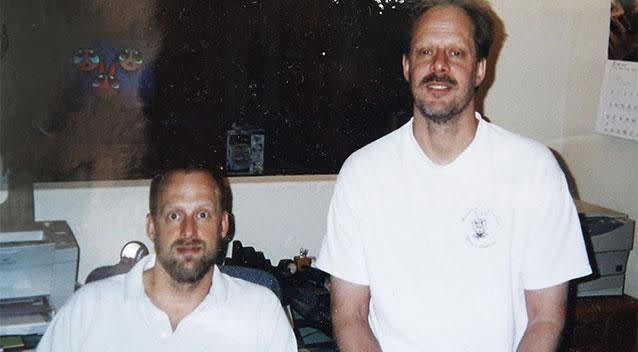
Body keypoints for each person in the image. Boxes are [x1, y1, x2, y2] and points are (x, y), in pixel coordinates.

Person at [316, 0, 592, 351]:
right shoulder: (362, 173)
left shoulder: (534, 171)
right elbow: (349, 314)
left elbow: (546, 317)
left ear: (479, 70)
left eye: (456, 53)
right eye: (426, 51)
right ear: (406, 66)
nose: (439, 66)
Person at [37, 164, 297, 351]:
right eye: (174, 215)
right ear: (152, 226)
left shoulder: (261, 314)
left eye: (203, 214)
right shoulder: (87, 311)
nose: (188, 230)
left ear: (223, 225)